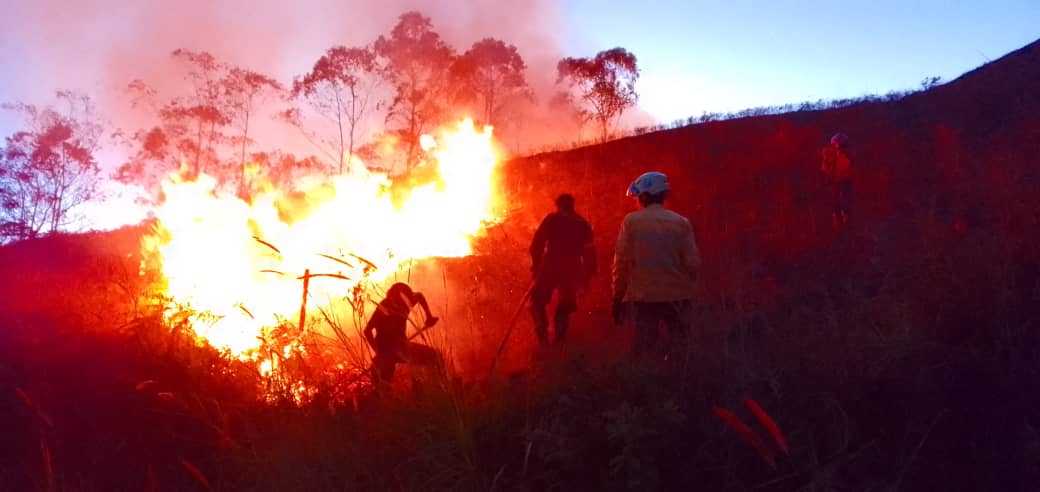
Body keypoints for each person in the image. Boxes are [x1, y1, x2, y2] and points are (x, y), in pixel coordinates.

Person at [611, 171, 701, 357]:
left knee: (643, 353)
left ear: (644, 196)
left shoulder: (631, 222)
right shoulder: (681, 223)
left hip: (644, 298)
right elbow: (693, 264)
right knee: (680, 351)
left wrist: (618, 297)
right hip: (678, 298)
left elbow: (621, 262)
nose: (636, 200)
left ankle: (647, 383)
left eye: (637, 196)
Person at [529, 193, 596, 347]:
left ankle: (543, 336)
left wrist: (536, 267)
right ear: (572, 205)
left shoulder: (552, 219)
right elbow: (589, 254)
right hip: (572, 269)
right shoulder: (583, 224)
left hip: (550, 266)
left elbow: (536, 245)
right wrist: (586, 277)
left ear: (558, 205)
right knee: (566, 303)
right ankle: (560, 339)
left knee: (537, 302)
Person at [363, 282, 441, 383]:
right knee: (383, 382)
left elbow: (419, 296)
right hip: (387, 350)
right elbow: (367, 331)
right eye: (396, 302)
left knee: (434, 357)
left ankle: (433, 386)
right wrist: (379, 352)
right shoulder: (383, 307)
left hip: (402, 346)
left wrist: (429, 316)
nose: (399, 306)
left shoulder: (407, 300)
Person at [820, 132, 853, 229]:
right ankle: (839, 225)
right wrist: (826, 160)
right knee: (836, 204)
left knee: (843, 203)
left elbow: (846, 169)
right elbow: (825, 170)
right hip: (836, 183)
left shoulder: (846, 155)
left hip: (843, 182)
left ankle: (844, 224)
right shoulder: (833, 155)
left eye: (834, 144)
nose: (833, 146)